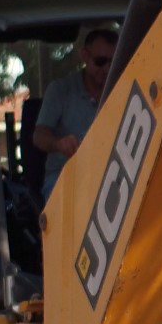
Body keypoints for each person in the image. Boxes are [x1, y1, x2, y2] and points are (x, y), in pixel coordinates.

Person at [33, 26, 118, 198]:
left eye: (113, 62)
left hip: (111, 178)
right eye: (100, 62)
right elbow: (39, 136)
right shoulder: (60, 90)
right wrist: (59, 144)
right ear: (85, 56)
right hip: (65, 178)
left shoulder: (122, 91)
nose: (107, 69)